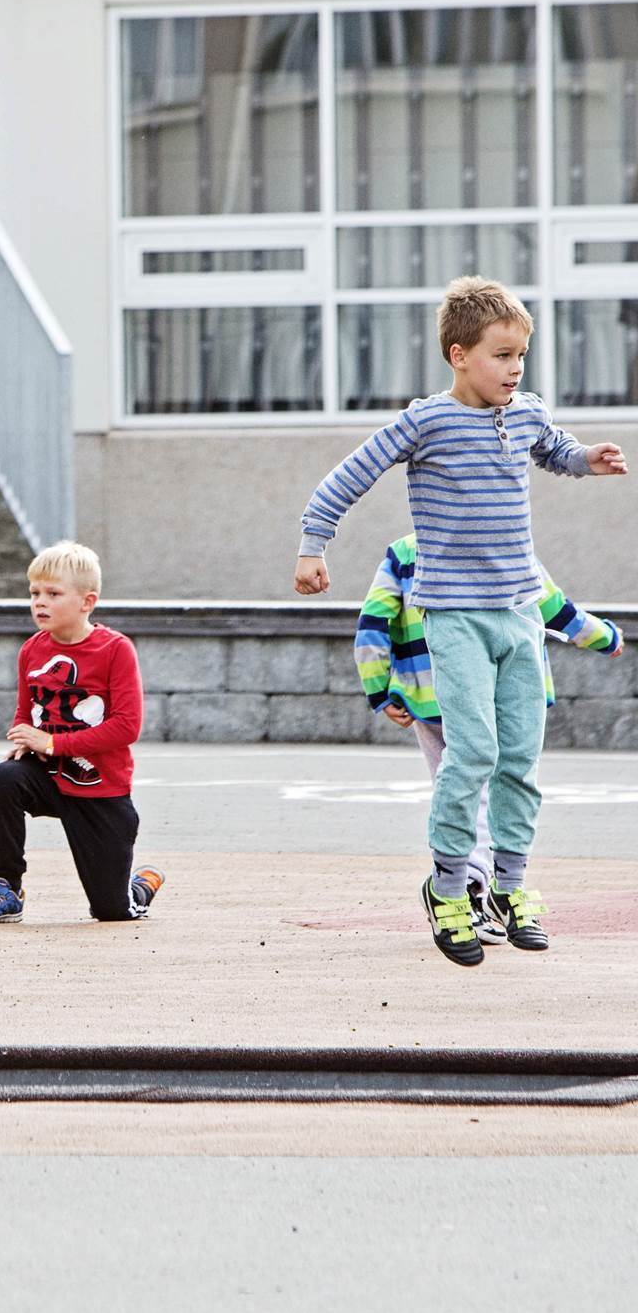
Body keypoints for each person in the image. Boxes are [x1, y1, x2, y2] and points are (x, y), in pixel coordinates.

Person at [295, 276, 628, 965]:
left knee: (521, 761)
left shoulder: (526, 411)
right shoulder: (427, 421)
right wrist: (312, 544)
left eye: (520, 357)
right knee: (472, 751)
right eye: (501, 355)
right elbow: (349, 475)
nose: (514, 369)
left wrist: (586, 461)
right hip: (456, 616)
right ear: (459, 354)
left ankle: (510, 885)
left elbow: (555, 449)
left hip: (520, 615)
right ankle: (449, 885)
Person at [357, 533, 623, 944]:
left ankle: (465, 887)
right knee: (486, 782)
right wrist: (606, 637)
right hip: (497, 692)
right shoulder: (506, 538)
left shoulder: (407, 551)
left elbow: (374, 621)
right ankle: (471, 889)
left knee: (459, 783)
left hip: (426, 692)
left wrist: (378, 686)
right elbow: (553, 607)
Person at [0, 540, 163, 926]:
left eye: (53, 594)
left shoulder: (115, 650)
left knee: (111, 912)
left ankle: (139, 886)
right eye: (35, 593)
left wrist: (54, 742)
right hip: (49, 777)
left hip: (100, 787)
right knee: (4, 779)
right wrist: (23, 742)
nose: (40, 602)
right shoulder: (31, 650)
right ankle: (7, 888)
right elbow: (26, 712)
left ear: (87, 602)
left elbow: (126, 726)